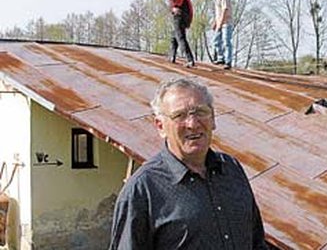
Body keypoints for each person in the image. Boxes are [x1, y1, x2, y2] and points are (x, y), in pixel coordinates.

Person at [109, 78, 268, 249]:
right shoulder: (142, 189)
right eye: (179, 115)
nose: (192, 124)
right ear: (160, 126)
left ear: (213, 118)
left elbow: (257, 242)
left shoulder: (231, 169)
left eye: (200, 112)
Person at [167, 0, 195, 68]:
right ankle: (172, 56)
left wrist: (174, 6)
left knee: (180, 37)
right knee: (174, 36)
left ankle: (189, 59)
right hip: (185, 15)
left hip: (179, 14)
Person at [211, 0, 234, 69]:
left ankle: (228, 61)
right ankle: (221, 58)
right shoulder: (217, 0)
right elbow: (218, 13)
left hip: (226, 24)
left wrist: (220, 24)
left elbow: (225, 10)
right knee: (216, 41)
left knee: (226, 42)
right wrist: (215, 22)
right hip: (219, 23)